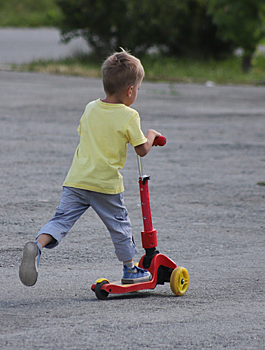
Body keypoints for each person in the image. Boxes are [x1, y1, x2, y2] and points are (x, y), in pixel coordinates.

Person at [19, 49, 161, 287]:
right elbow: (141, 149)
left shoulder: (90, 108)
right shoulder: (129, 116)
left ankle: (38, 245)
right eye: (137, 89)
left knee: (61, 219)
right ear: (130, 91)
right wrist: (152, 135)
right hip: (105, 184)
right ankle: (130, 270)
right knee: (119, 225)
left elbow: (83, 134)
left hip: (76, 179)